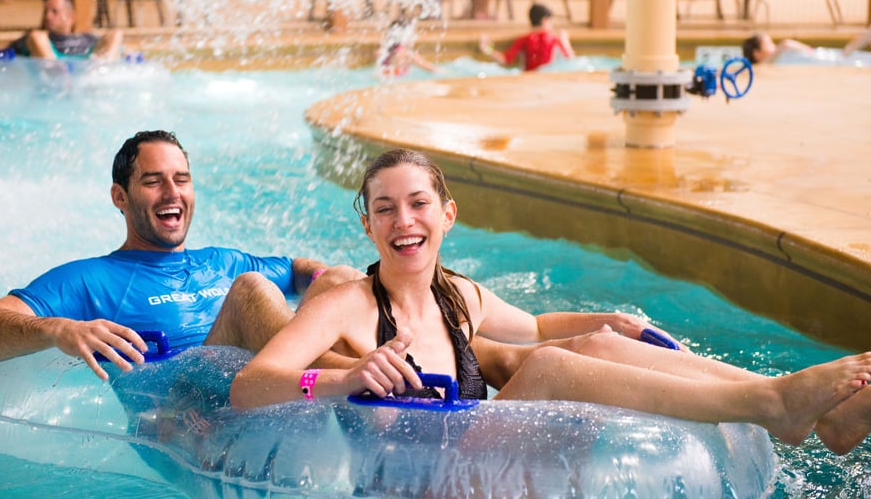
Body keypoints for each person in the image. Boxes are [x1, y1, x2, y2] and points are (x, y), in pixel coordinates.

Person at [230, 148, 871, 456]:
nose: (404, 220)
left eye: (419, 203)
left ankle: (804, 405)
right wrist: (345, 379)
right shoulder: (346, 304)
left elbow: (536, 322)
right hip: (409, 475)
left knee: (588, 347)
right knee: (547, 369)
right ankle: (776, 405)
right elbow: (251, 386)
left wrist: (604, 321)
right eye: (385, 208)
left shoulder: (460, 296)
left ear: (447, 214)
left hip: (468, 455)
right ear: (368, 225)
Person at [0, 130, 359, 381]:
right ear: (120, 197)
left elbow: (299, 271)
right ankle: (365, 377)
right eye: (153, 182)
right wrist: (60, 329)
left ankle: (376, 390)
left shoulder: (222, 261)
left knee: (340, 278)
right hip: (191, 409)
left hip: (274, 385)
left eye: (181, 180)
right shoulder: (90, 278)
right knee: (251, 290)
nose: (172, 192)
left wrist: (324, 277)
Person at [478, 3, 574, 71]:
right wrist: (565, 41)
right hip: (546, 78)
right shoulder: (554, 39)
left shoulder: (523, 39)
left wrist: (486, 49)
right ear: (545, 20)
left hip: (527, 78)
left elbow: (506, 59)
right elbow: (571, 61)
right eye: (551, 21)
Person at [741, 32, 813, 64]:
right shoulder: (766, 62)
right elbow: (786, 43)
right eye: (768, 43)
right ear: (757, 54)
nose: (774, 46)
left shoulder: (775, 59)